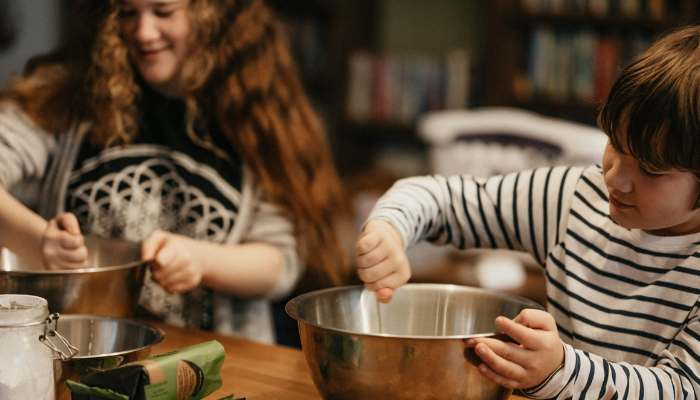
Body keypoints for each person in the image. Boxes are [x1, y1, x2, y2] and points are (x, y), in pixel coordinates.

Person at [356, 26, 700, 398]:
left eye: (650, 170)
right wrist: (390, 227)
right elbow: (442, 198)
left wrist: (560, 371)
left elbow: (682, 389)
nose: (615, 179)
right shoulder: (574, 198)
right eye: (615, 144)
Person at [0, 0, 347, 343]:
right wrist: (38, 240)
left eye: (163, 11)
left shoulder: (256, 110)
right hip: (74, 349)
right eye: (127, 13)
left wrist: (201, 260)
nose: (144, 32)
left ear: (209, 11)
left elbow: (280, 263)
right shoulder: (66, 94)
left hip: (212, 361)